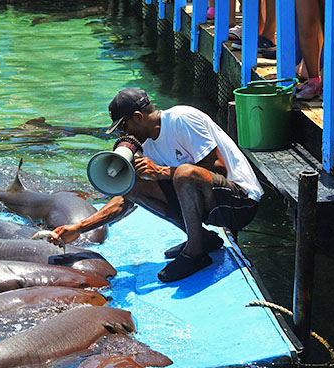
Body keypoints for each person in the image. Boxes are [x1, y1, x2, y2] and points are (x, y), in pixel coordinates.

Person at [48, 88, 264, 282]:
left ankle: (195, 253)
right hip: (211, 204)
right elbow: (125, 199)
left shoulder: (182, 118)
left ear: (138, 117)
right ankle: (203, 238)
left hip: (240, 203)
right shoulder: (148, 145)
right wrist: (79, 228)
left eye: (124, 126)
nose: (123, 134)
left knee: (184, 173)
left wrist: (161, 172)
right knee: (133, 185)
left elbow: (219, 169)